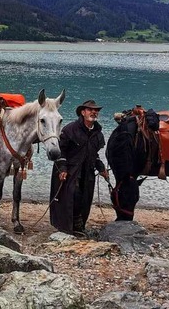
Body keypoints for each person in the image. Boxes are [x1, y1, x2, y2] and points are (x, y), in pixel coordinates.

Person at [50, 99, 109, 235]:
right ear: (83, 112)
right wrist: (63, 168)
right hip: (70, 171)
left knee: (85, 198)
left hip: (87, 172)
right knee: (72, 197)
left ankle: (78, 227)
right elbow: (60, 151)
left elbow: (95, 155)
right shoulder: (69, 129)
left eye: (96, 110)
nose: (94, 112)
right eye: (90, 110)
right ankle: (66, 228)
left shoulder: (98, 133)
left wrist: (101, 169)